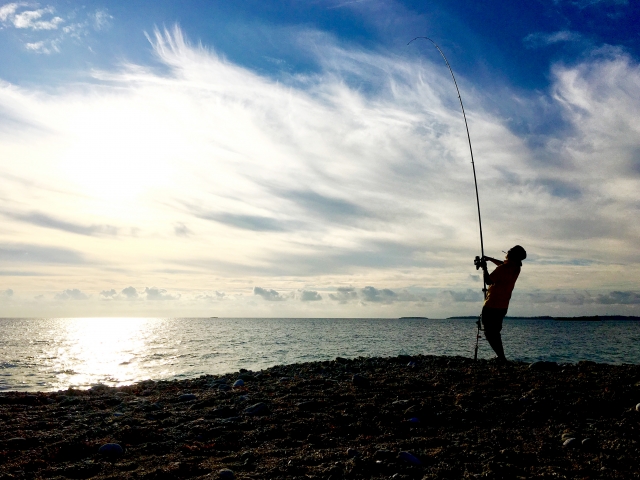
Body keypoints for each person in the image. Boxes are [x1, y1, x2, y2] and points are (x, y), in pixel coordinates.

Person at [480, 245, 526, 363]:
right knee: (495, 332)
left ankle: (501, 357)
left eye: (508, 252)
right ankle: (501, 357)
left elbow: (488, 280)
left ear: (511, 255)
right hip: (503, 306)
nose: (506, 253)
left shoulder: (502, 269)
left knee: (489, 333)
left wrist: (484, 268)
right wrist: (490, 259)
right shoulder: (516, 267)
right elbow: (502, 263)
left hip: (491, 304)